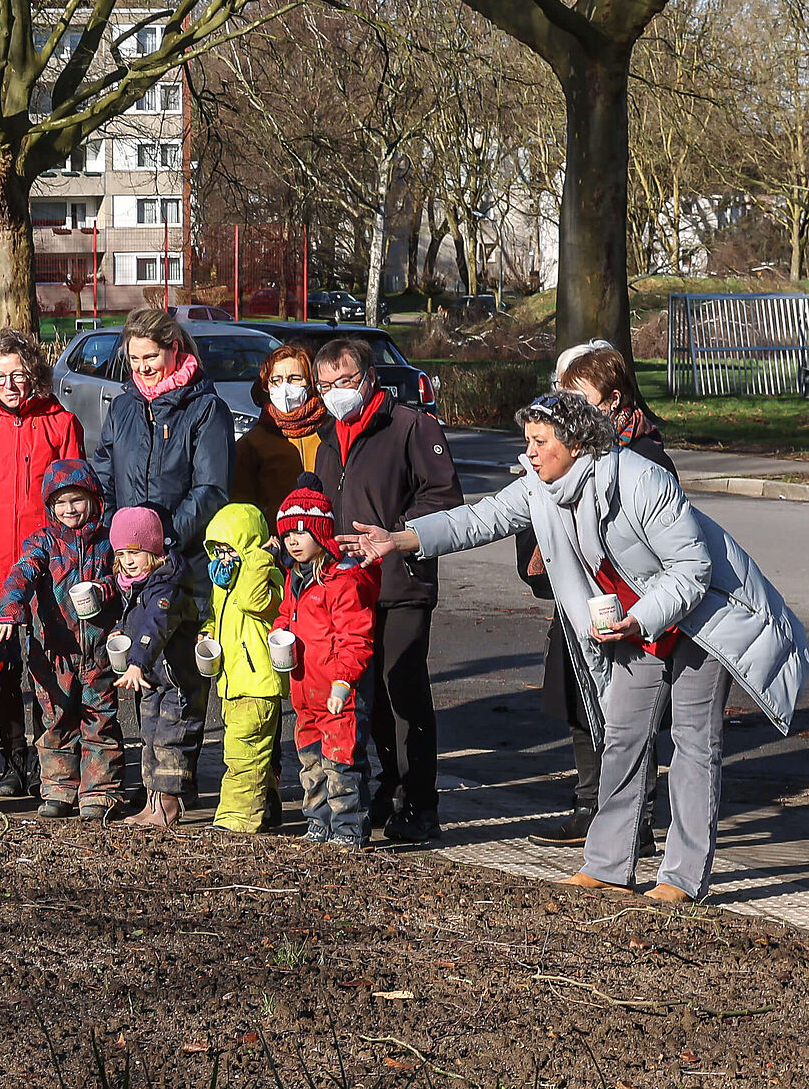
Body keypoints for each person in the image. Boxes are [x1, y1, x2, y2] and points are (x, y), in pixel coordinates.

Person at [346, 392, 809, 902]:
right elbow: (478, 520)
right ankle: (608, 866)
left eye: (541, 442)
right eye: (529, 441)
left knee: (694, 743)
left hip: (702, 619)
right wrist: (400, 539)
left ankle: (681, 879)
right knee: (622, 738)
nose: (531, 453)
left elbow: (693, 571)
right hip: (632, 624)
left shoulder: (641, 479)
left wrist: (640, 619)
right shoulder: (540, 487)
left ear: (577, 441)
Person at [521, 341, 674, 847]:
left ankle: (634, 818)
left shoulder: (644, 457)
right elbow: (526, 510)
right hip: (576, 606)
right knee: (580, 704)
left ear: (611, 399)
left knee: (630, 717)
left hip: (631, 611)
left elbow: (670, 555)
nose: (568, 406)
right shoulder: (561, 453)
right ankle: (591, 803)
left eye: (578, 395)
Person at [312, 336, 460, 842]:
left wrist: (395, 536)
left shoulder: (410, 426)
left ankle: (419, 802)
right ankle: (387, 785)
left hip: (402, 581)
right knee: (364, 691)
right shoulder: (330, 434)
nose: (336, 393)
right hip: (350, 586)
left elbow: (443, 497)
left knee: (404, 692)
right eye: (326, 385)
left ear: (370, 378)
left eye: (345, 381)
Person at [91, 307, 233, 809]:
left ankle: (169, 791)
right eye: (134, 358)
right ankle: (161, 784)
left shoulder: (204, 409)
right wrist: (115, 527)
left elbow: (211, 488)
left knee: (176, 677)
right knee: (143, 667)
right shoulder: (126, 405)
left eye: (151, 356)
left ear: (175, 349)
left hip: (180, 561)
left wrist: (163, 537)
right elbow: (106, 467)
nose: (143, 367)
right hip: (133, 563)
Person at [0, 328, 84, 797]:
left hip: (46, 565)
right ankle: (14, 762)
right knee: (3, 665)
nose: (10, 383)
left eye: (19, 374)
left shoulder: (61, 422)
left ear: (34, 374)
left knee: (50, 664)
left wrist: (69, 552)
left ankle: (57, 763)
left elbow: (77, 494)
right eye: (0, 375)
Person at [0, 459, 124, 821]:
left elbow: (125, 580)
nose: (70, 509)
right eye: (61, 502)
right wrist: (10, 608)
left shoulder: (107, 541)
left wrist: (105, 589)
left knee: (100, 718)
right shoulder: (42, 543)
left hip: (98, 651)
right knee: (56, 720)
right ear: (50, 506)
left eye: (78, 500)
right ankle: (57, 787)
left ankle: (100, 791)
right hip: (53, 651)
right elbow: (21, 574)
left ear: (94, 500)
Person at [272, 474, 379, 848]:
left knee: (342, 761)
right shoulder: (295, 577)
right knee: (311, 761)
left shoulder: (342, 582)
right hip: (305, 689)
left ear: (321, 533)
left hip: (337, 691)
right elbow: (287, 613)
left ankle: (349, 828)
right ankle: (318, 820)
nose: (293, 542)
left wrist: (343, 680)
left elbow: (356, 637)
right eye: (287, 535)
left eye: (300, 534)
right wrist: (279, 631)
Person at [199, 502, 284, 834]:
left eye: (229, 549)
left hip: (257, 683)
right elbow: (218, 613)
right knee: (250, 750)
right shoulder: (227, 581)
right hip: (232, 682)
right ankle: (267, 804)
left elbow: (253, 602)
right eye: (217, 550)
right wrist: (207, 631)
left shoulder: (265, 575)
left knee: (243, 754)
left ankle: (236, 818)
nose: (222, 558)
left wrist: (260, 558)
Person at [106, 507, 190, 827]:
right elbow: (136, 622)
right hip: (152, 677)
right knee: (149, 737)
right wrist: (119, 631)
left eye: (136, 552)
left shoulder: (164, 585)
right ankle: (152, 803)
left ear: (153, 550)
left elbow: (156, 624)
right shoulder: (134, 584)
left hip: (171, 677)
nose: (128, 560)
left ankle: (167, 805)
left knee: (168, 740)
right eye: (123, 552)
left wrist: (137, 662)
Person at [231, 344, 325, 529]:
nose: (285, 387)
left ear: (311, 383)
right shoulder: (252, 443)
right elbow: (242, 506)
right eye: (276, 380)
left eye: (295, 378)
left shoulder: (330, 432)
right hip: (277, 544)